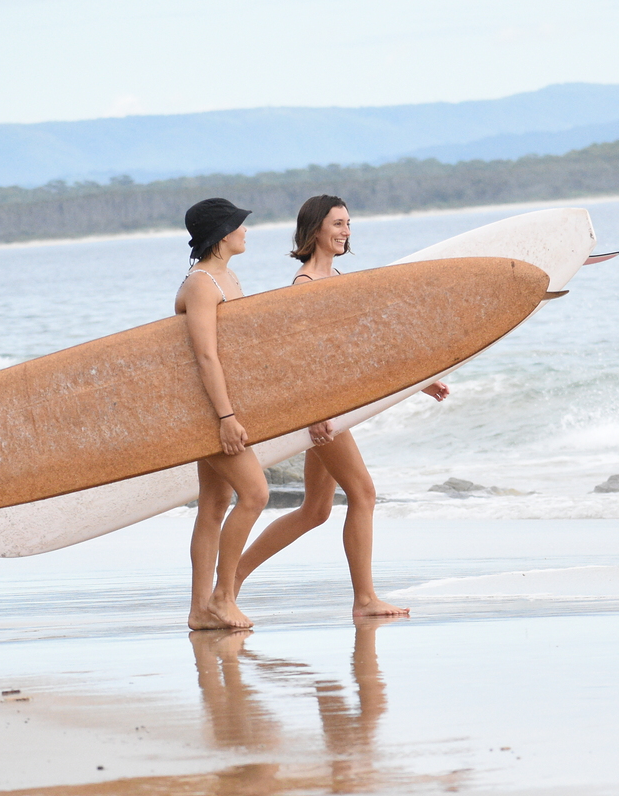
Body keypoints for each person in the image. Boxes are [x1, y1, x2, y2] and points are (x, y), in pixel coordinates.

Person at [235, 195, 448, 617]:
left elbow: (361, 350)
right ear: (315, 229)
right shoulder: (304, 287)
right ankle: (365, 600)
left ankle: (230, 579)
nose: (345, 231)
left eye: (349, 223)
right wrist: (316, 414)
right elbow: (299, 360)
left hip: (336, 408)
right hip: (322, 411)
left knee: (315, 510)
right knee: (363, 493)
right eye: (337, 224)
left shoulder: (338, 278)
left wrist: (419, 382)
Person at [177, 197, 269, 630]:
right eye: (239, 224)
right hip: (207, 410)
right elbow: (205, 357)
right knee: (256, 495)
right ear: (221, 233)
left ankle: (200, 611)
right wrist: (225, 417)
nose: (245, 230)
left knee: (214, 505)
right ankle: (222, 596)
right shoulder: (201, 284)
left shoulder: (227, 277)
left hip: (216, 406)